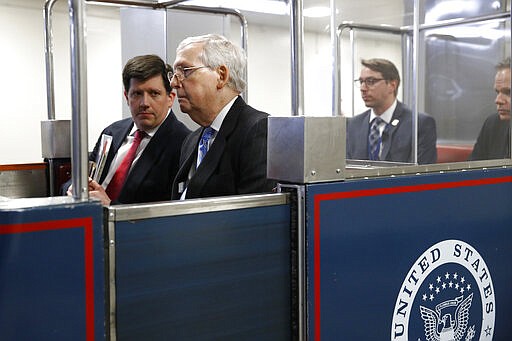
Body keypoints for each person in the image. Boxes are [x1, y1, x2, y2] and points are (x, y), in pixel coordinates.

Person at [64, 54, 190, 205]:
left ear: (170, 98)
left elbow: (170, 212)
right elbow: (81, 176)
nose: (144, 103)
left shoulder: (184, 144)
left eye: (154, 94)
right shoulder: (112, 132)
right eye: (137, 94)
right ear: (126, 97)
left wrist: (110, 207)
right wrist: (75, 188)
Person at [169, 34, 275, 200]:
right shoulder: (192, 140)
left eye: (185, 71)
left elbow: (254, 218)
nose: (174, 83)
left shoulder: (258, 131)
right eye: (175, 73)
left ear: (221, 75)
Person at [346, 58, 437, 164]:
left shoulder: (418, 124)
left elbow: (421, 173)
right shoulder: (354, 124)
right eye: (361, 81)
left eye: (370, 81)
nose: (362, 88)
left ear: (392, 85)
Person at [469, 57, 511, 160]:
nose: (498, 100)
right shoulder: (493, 124)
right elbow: (473, 171)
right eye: (497, 92)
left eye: (508, 92)